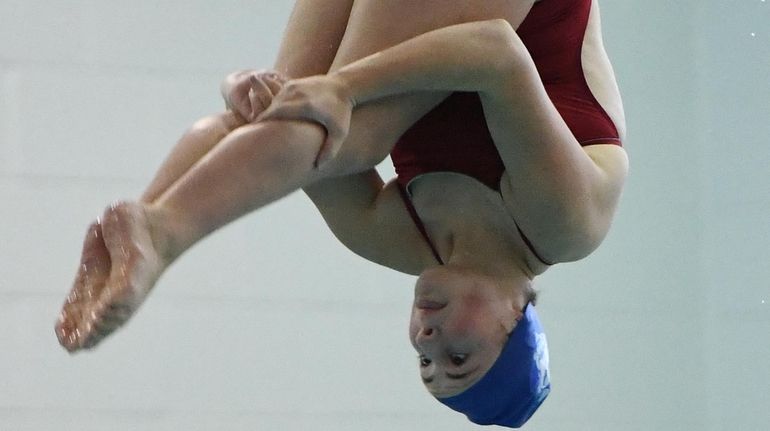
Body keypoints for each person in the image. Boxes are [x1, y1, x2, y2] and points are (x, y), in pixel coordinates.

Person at [55, 0, 628, 427]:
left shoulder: (392, 239)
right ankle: (158, 234)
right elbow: (497, 52)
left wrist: (245, 89)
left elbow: (272, 138)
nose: (427, 336)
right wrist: (344, 88)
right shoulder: (563, 223)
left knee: (305, 130)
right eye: (457, 355)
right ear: (516, 318)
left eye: (423, 357)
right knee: (346, 134)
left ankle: (143, 222)